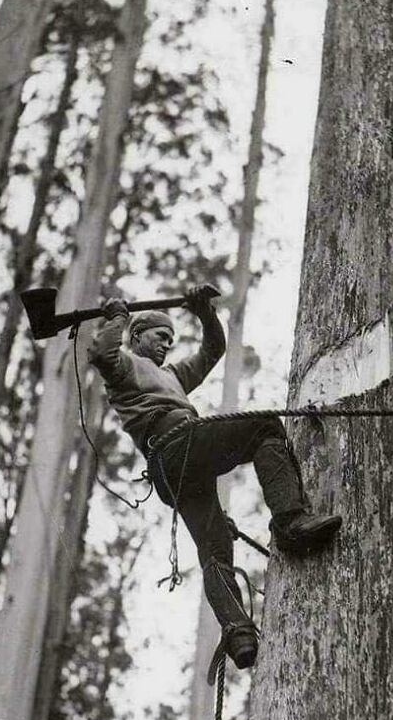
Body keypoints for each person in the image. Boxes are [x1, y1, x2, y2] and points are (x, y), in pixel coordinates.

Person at [87, 284, 341, 671]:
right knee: (263, 428)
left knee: (216, 547)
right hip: (175, 446)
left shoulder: (171, 375)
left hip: (177, 472)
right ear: (137, 337)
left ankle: (238, 631)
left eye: (170, 341)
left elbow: (212, 351)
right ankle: (290, 521)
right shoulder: (125, 367)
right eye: (159, 337)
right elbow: (101, 353)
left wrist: (204, 312)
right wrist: (118, 317)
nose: (165, 346)